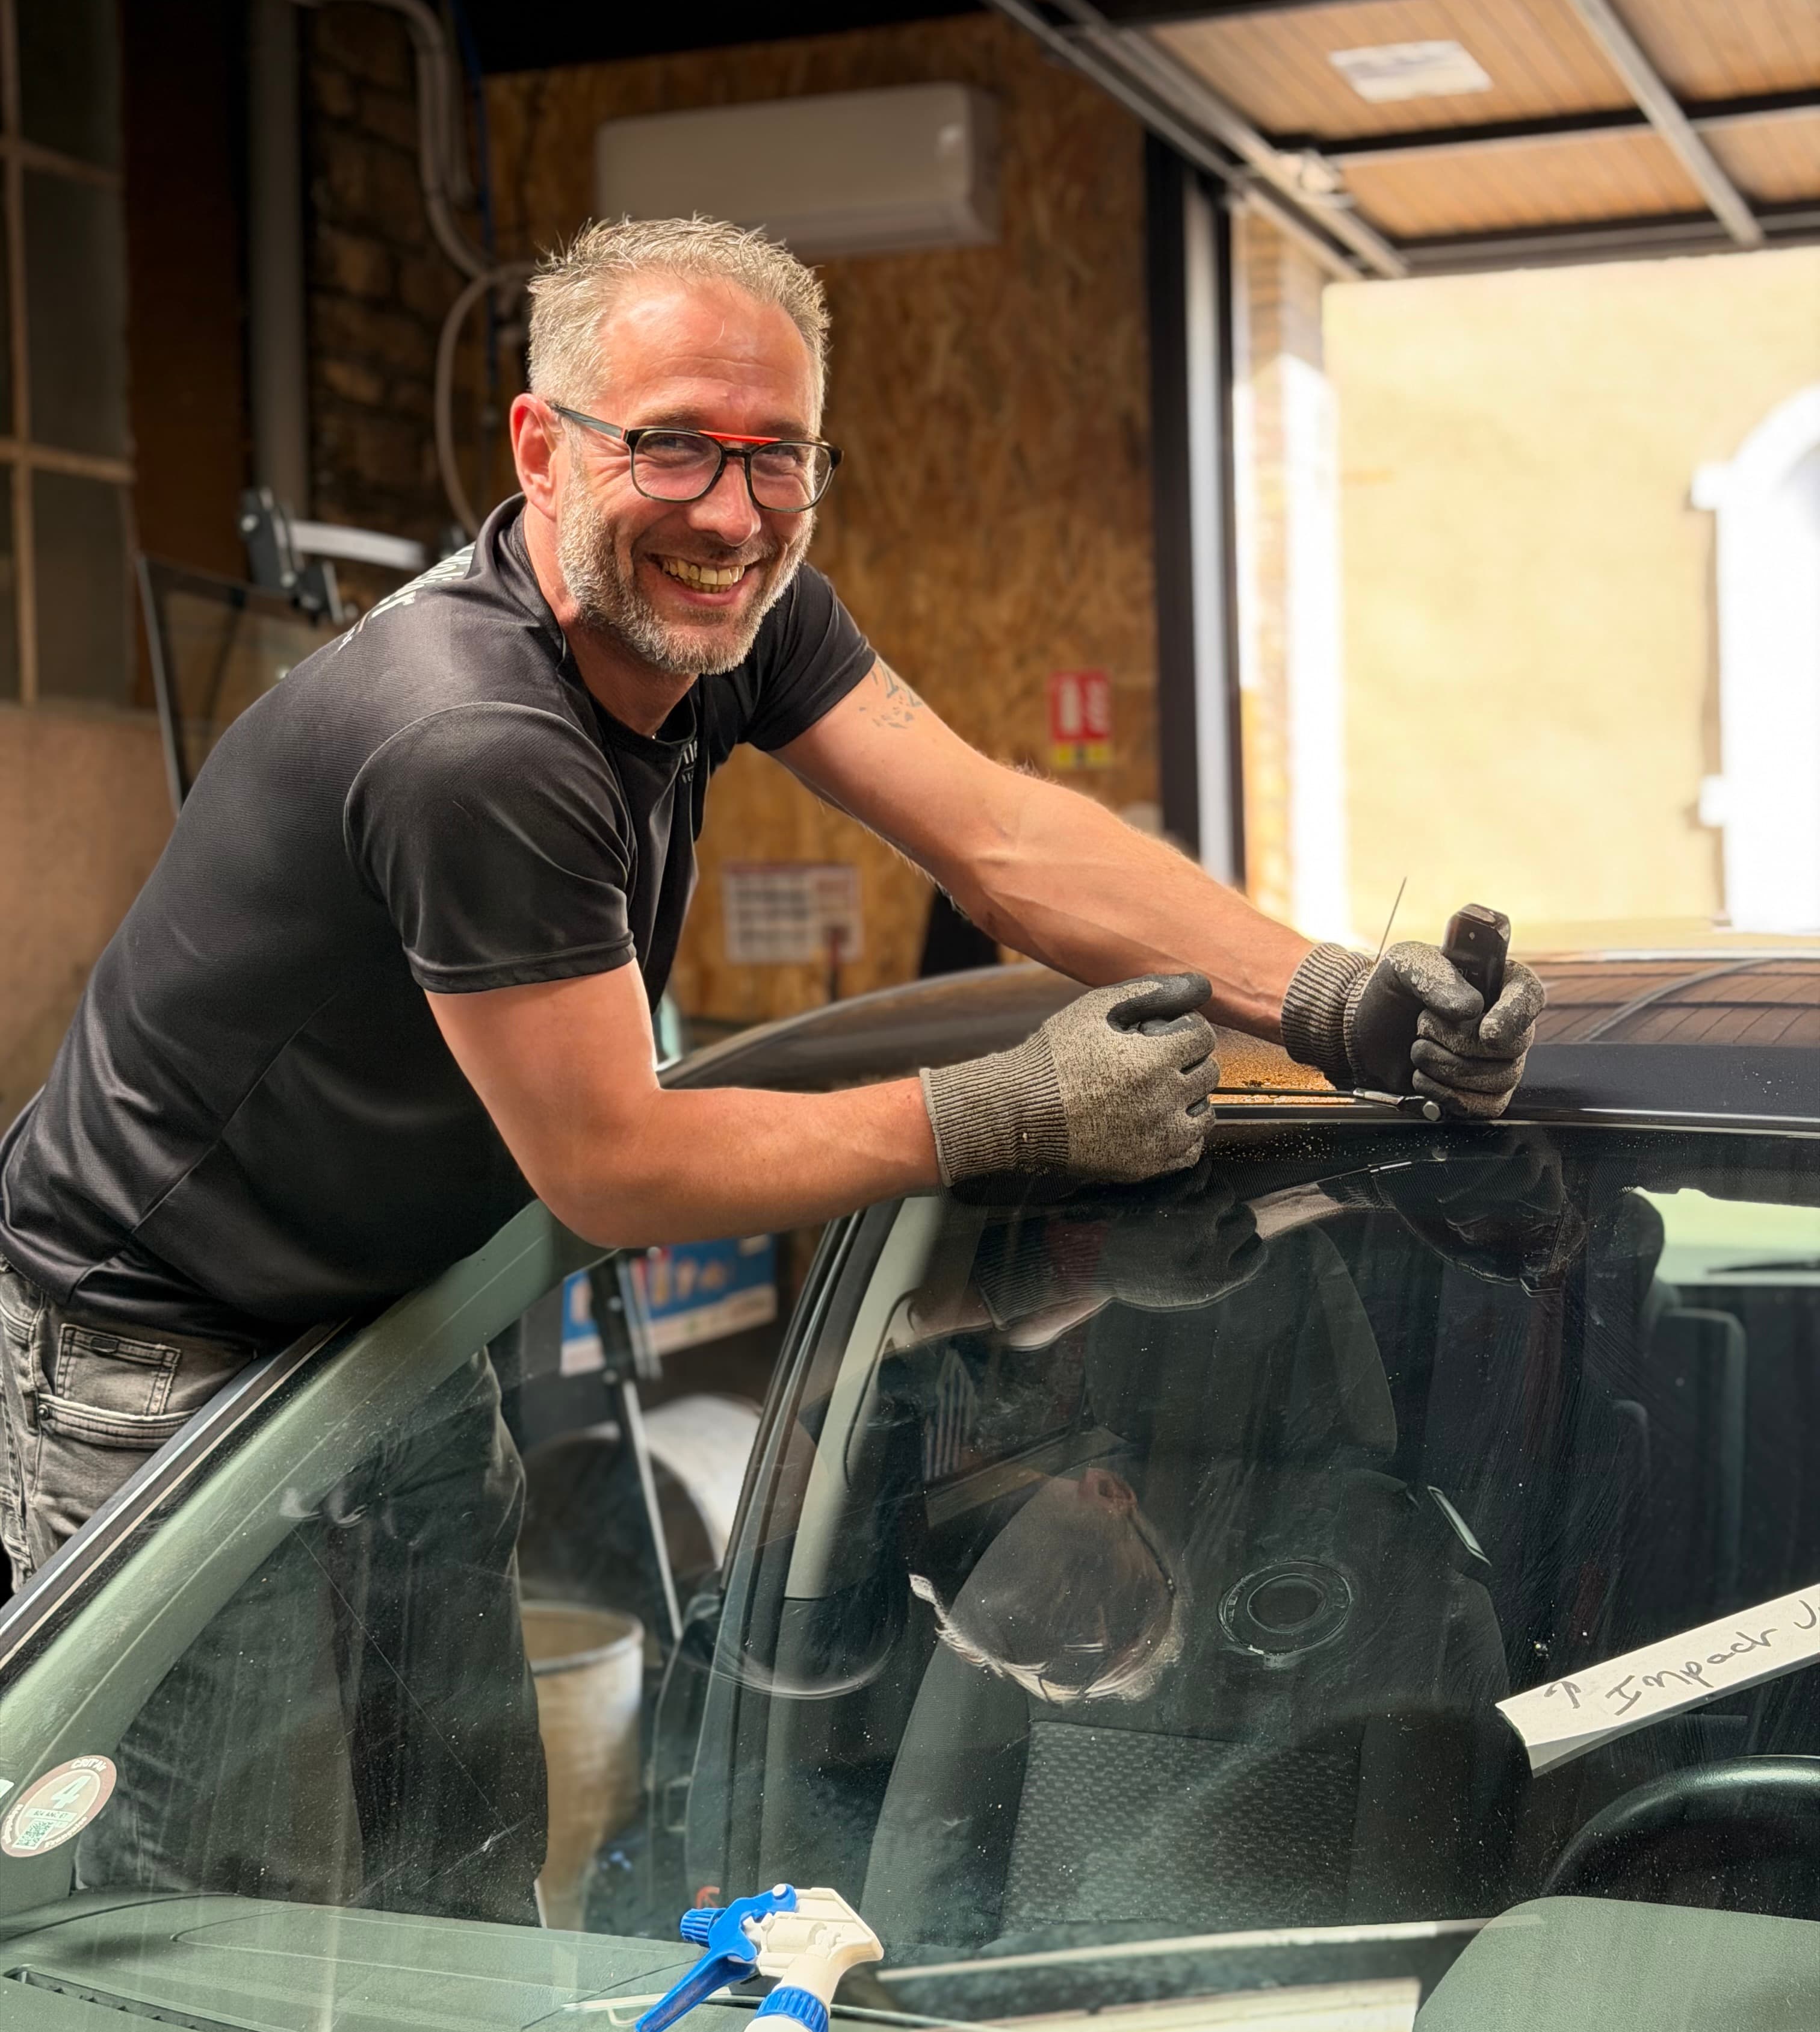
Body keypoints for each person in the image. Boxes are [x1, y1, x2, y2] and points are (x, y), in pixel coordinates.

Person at [0, 215, 1543, 1907]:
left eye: (777, 460)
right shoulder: (474, 741)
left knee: (465, 1857)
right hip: (160, 1354)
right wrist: (998, 1110)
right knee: (213, 1908)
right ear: (540, 445)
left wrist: (1329, 1000)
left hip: (392, 1312)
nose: (731, 516)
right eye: (672, 446)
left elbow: (1005, 841)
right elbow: (615, 1167)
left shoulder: (741, 610)